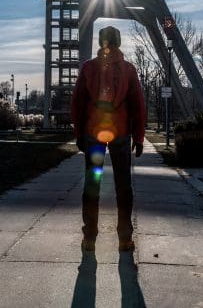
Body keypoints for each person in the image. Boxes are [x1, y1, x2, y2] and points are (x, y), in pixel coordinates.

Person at [71, 26, 146, 252]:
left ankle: (89, 238)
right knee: (123, 186)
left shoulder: (88, 68)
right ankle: (124, 238)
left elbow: (77, 103)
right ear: (118, 42)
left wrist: (79, 134)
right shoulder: (128, 69)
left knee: (92, 185)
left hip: (94, 132)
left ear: (100, 41)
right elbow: (138, 106)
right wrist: (138, 137)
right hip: (120, 132)